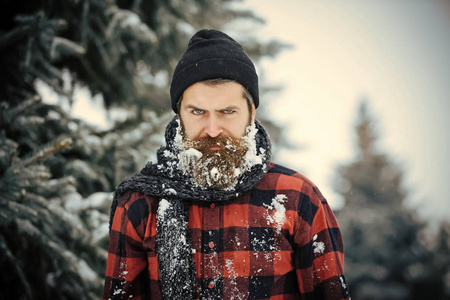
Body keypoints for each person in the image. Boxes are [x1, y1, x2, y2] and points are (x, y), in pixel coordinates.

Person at [103, 29, 350, 300]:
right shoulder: (140, 203)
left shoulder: (298, 198)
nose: (212, 129)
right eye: (198, 112)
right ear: (179, 115)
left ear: (251, 112)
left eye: (227, 112)